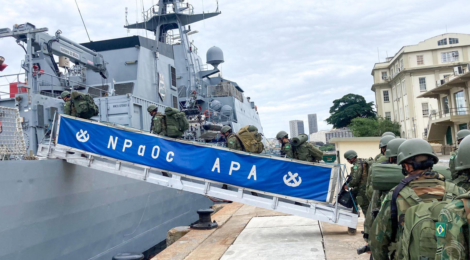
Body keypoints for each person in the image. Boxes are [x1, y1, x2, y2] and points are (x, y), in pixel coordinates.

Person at [370, 139, 465, 260]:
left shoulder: (396, 195)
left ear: (407, 166)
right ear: (432, 163)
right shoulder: (458, 192)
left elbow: (378, 241)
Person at [363, 138, 405, 246]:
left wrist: (368, 234)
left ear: (390, 157)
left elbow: (373, 205)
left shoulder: (384, 176)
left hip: (390, 232)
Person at [343, 150, 369, 233]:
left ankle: (368, 230)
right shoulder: (363, 162)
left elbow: (355, 180)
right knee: (364, 208)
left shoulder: (357, 166)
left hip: (362, 190)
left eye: (348, 159)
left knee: (365, 209)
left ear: (352, 158)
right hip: (366, 188)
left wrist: (348, 185)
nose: (347, 161)